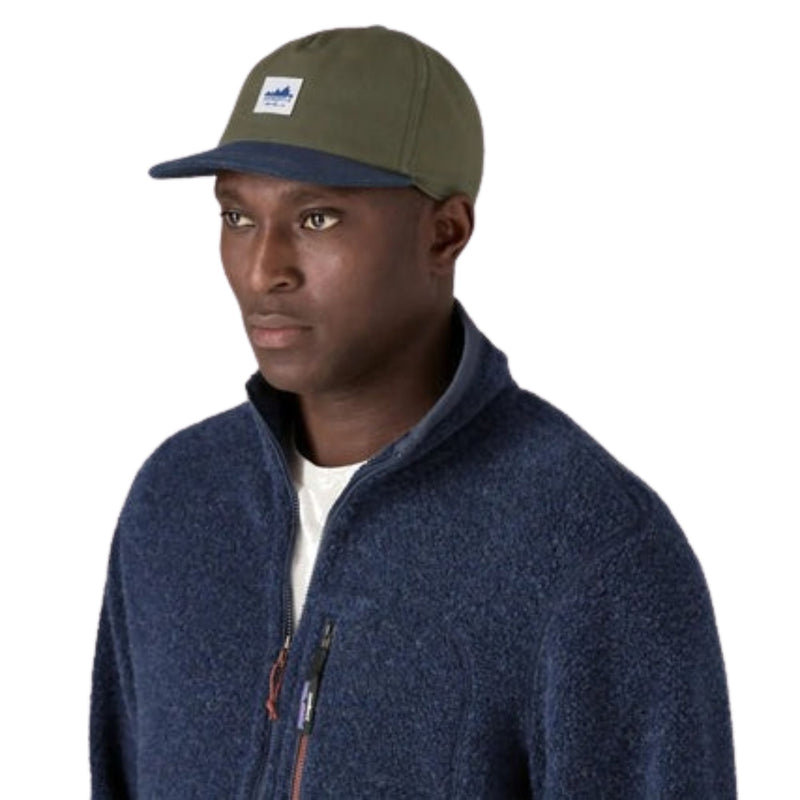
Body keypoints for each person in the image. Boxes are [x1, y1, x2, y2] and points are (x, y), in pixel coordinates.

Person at [90, 25, 737, 799]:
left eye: (317, 218)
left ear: (445, 233)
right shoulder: (179, 500)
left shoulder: (590, 549)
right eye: (237, 217)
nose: (264, 269)